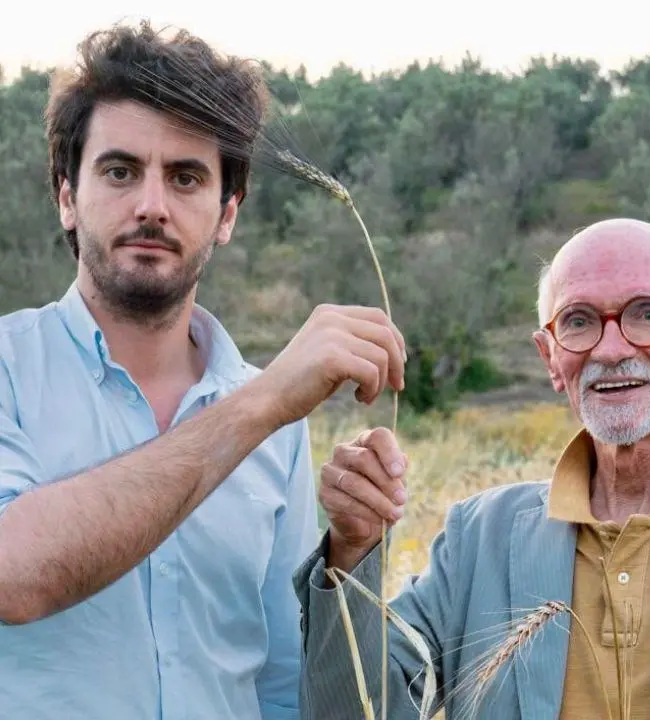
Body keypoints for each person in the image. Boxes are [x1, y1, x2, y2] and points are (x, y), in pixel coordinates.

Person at [0, 21, 407, 720]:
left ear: (227, 215)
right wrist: (263, 404)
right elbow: (13, 577)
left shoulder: (275, 430)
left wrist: (350, 549)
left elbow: (280, 681)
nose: (152, 205)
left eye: (186, 177)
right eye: (120, 171)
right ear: (67, 196)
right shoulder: (8, 367)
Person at [295, 217, 650, 719]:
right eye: (578, 321)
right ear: (550, 358)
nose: (610, 349)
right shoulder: (478, 540)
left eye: (649, 313)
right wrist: (353, 549)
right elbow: (356, 711)